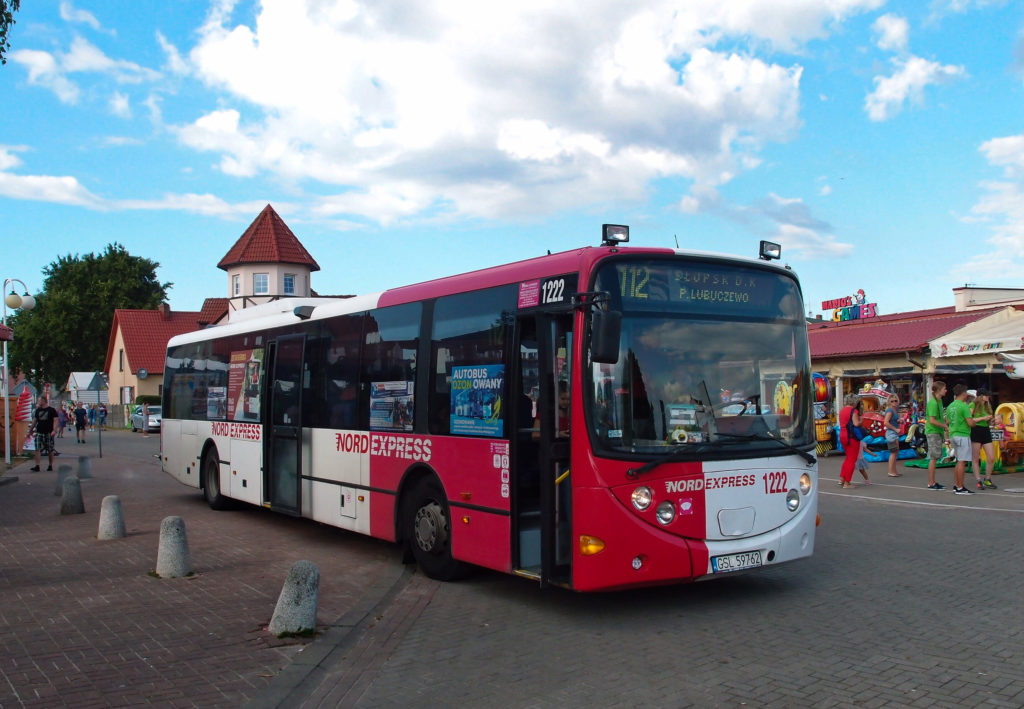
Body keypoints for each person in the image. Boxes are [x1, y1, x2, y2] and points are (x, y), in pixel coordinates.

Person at [946, 384, 974, 495]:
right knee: (962, 461)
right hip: (962, 434)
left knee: (959, 460)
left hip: (953, 433)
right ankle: (960, 486)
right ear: (963, 393)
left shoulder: (950, 406)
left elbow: (947, 421)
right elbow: (970, 422)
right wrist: (976, 421)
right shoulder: (964, 406)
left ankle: (956, 485)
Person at [968, 388, 997, 490]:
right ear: (981, 396)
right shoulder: (973, 405)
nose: (988, 397)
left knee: (991, 457)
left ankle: (987, 479)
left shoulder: (987, 406)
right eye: (986, 395)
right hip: (976, 430)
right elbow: (970, 419)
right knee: (976, 457)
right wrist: (983, 418)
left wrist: (992, 421)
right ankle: (978, 479)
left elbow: (989, 421)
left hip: (985, 430)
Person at [924, 381, 949, 490]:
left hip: (937, 431)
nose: (946, 390)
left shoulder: (939, 401)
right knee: (933, 458)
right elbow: (932, 420)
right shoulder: (933, 403)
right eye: (944, 389)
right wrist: (944, 426)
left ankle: (933, 481)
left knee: (935, 457)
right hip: (933, 431)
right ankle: (931, 483)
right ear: (939, 390)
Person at [838, 393, 863, 489]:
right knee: (852, 460)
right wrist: (861, 421)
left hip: (843, 435)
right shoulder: (854, 411)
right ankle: (847, 482)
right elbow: (856, 424)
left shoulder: (842, 411)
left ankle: (842, 478)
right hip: (851, 436)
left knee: (848, 457)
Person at [28, 395, 59, 472]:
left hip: (48, 432)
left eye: (39, 400)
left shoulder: (52, 410)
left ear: (44, 401)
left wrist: (54, 430)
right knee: (37, 448)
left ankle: (50, 465)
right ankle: (37, 465)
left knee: (50, 449)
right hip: (39, 431)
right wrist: (31, 430)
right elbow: (35, 421)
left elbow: (55, 420)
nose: (38, 402)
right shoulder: (38, 410)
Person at [883, 394, 902, 478]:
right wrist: (895, 429)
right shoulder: (890, 410)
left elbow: (891, 420)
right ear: (889, 402)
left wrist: (899, 420)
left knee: (896, 452)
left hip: (894, 432)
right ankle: (891, 471)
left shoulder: (894, 410)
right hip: (891, 433)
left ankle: (894, 471)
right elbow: (886, 422)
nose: (894, 402)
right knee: (893, 452)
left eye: (895, 400)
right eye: (892, 401)